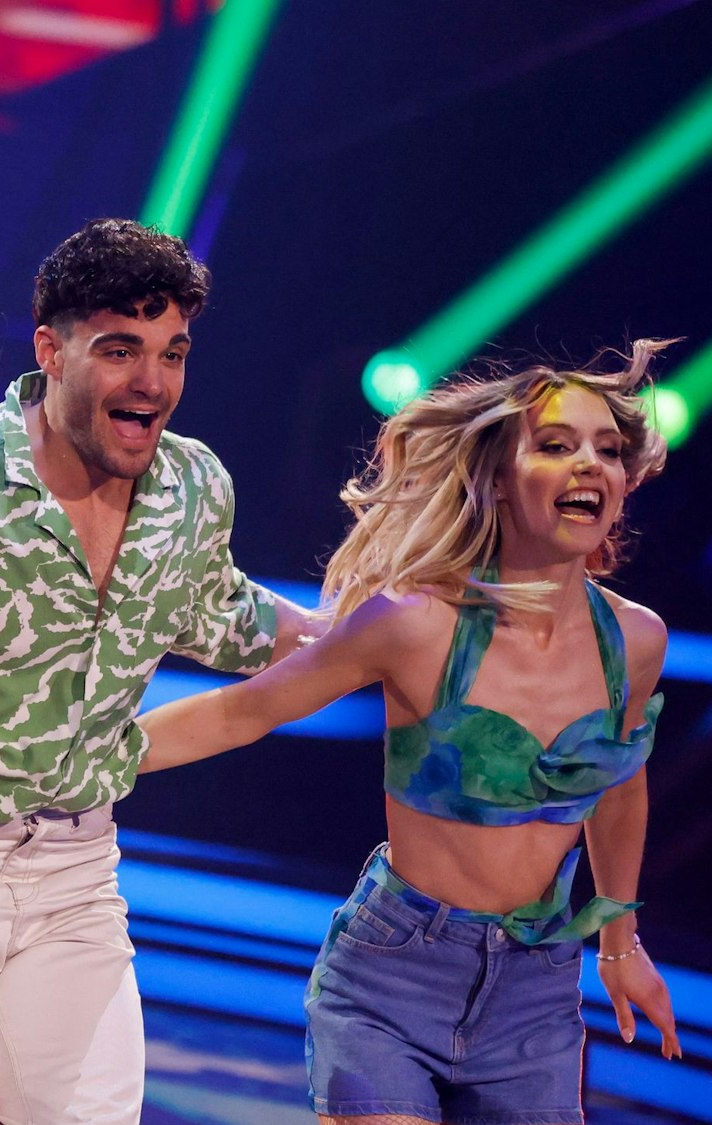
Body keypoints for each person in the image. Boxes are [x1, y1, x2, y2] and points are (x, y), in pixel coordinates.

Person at [0, 218, 315, 1124]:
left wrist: (383, 635)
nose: (152, 382)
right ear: (50, 350)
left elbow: (231, 614)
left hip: (77, 878)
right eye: (121, 350)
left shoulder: (194, 485)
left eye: (172, 354)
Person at [138, 342, 683, 1123]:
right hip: (392, 977)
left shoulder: (636, 641)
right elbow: (244, 709)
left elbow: (620, 786)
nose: (589, 465)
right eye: (556, 445)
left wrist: (621, 943)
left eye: (608, 449)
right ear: (497, 477)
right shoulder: (414, 621)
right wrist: (94, 755)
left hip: (537, 994)